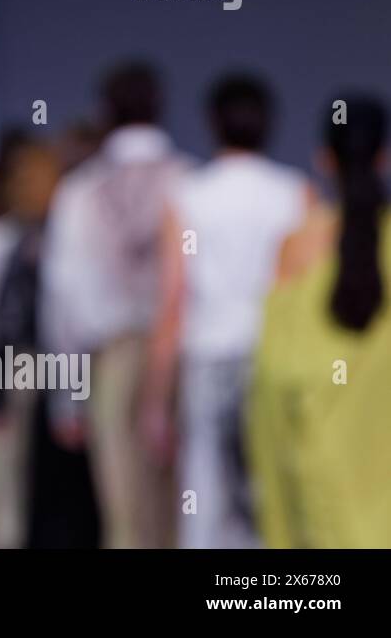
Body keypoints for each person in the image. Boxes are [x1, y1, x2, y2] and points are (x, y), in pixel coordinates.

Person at [143, 73, 312, 548]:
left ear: (212, 122)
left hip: (209, 361)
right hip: (273, 362)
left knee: (206, 502)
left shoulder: (189, 197)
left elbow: (173, 302)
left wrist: (156, 400)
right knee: (270, 496)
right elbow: (301, 294)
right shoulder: (294, 193)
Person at [39, 61, 193, 548]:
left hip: (114, 358)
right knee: (187, 510)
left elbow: (63, 295)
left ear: (106, 113)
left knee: (124, 515)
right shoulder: (191, 182)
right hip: (187, 354)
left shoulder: (81, 191)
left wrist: (68, 394)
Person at [247, 93, 391, 548]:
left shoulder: (299, 247)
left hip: (320, 492)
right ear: (384, 157)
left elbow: (272, 380)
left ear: (323, 160)